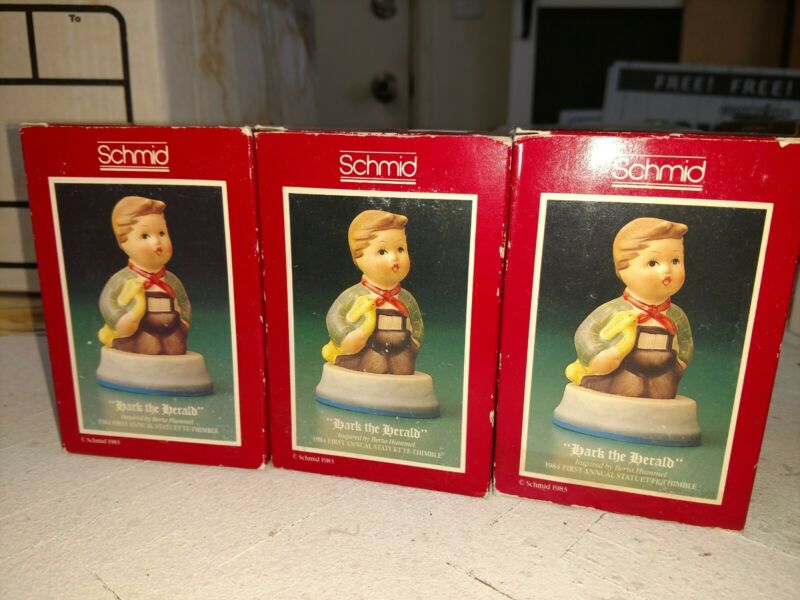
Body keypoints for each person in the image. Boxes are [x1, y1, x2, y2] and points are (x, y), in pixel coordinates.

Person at [565, 217, 693, 399]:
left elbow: (686, 340)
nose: (667, 271)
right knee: (625, 391)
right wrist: (598, 357)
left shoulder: (676, 315)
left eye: (675, 260)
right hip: (623, 371)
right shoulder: (614, 310)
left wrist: (681, 362)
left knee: (663, 394)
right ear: (623, 268)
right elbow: (585, 334)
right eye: (652, 263)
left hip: (663, 373)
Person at [322, 209, 423, 375]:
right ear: (358, 257)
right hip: (367, 350)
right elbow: (334, 317)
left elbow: (417, 320)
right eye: (382, 251)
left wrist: (415, 339)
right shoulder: (354, 295)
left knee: (403, 369)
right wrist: (345, 336)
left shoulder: (406, 298)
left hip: (401, 350)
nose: (394, 258)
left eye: (400, 249)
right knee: (372, 367)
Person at [98, 196, 191, 355]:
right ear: (123, 243)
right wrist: (120, 320)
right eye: (145, 236)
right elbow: (107, 301)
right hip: (139, 331)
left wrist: (184, 322)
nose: (157, 242)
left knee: (176, 349)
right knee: (148, 349)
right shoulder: (122, 279)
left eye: (162, 233)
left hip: (171, 330)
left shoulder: (171, 280)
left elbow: (184, 301)